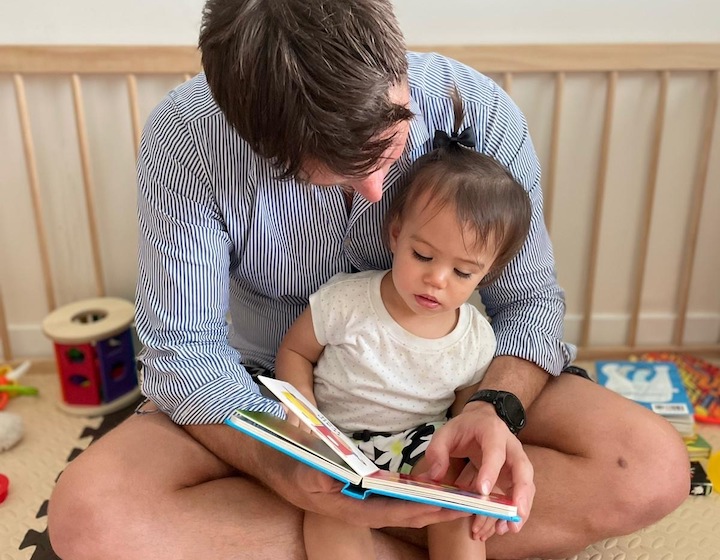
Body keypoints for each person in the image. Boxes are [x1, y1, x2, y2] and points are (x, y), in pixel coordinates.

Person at [47, 1, 690, 559]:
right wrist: (283, 468)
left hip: (448, 387)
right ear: (254, 138)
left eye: (391, 143)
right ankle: (405, 534)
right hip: (260, 391)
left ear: (397, 63)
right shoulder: (185, 140)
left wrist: (493, 410)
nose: (379, 193)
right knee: (88, 520)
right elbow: (185, 354)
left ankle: (336, 536)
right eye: (333, 174)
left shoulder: (479, 112)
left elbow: (528, 302)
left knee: (652, 469)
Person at [275, 95, 532, 560]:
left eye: (463, 272)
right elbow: (295, 352)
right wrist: (305, 418)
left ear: (488, 273)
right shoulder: (348, 299)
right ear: (395, 235)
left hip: (423, 448)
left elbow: (464, 413)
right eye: (424, 256)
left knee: (460, 515)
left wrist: (468, 470)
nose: (437, 279)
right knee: (328, 515)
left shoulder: (475, 336)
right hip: (342, 443)